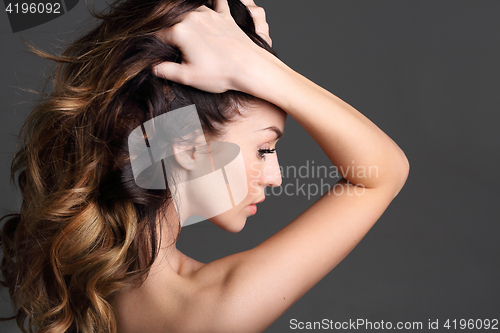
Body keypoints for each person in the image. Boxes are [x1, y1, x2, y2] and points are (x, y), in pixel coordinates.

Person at [0, 0, 409, 332]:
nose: (276, 176)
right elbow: (382, 174)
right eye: (265, 149)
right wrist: (262, 70)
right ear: (184, 144)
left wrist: (253, 66)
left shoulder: (79, 281)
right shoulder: (209, 311)